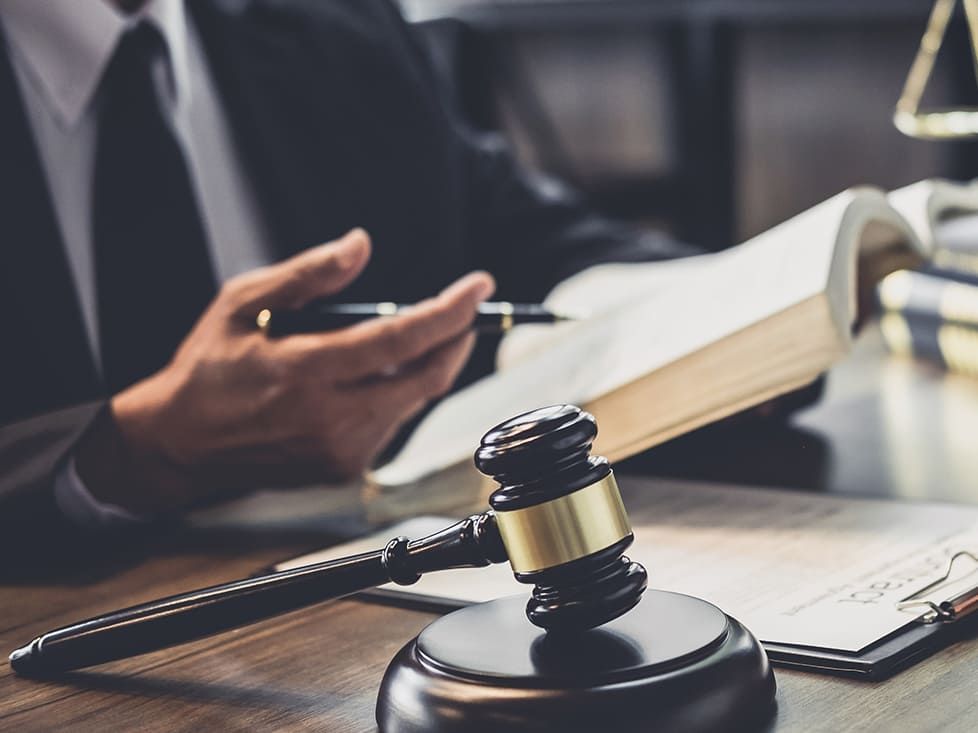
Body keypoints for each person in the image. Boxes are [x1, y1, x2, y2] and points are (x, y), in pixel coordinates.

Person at [0, 0, 697, 554]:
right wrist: (133, 452)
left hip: (359, 609)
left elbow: (513, 230)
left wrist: (726, 305)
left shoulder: (336, 23)